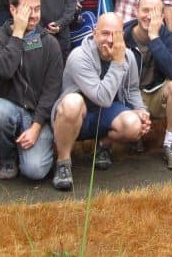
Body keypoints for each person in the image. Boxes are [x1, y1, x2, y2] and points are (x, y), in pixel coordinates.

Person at [50, 12, 150, 191]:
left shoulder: (128, 55)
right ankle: (63, 161)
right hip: (77, 115)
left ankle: (102, 145)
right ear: (94, 33)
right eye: (105, 33)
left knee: (134, 126)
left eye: (116, 34)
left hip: (106, 112)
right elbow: (101, 97)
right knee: (72, 102)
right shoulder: (79, 56)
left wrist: (141, 110)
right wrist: (118, 63)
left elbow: (133, 89)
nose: (110, 40)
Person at [0, 0, 64, 181]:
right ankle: (7, 154)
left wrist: (37, 126)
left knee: (35, 171)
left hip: (36, 115)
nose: (35, 15)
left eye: (37, 9)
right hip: (8, 109)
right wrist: (18, 34)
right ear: (13, 10)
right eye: (28, 10)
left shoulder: (50, 43)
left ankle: (32, 149)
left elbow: (52, 89)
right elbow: (5, 70)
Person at [124, 0, 172, 169]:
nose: (149, 16)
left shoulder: (168, 37)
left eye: (154, 12)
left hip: (155, 95)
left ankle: (170, 144)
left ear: (162, 17)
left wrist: (154, 38)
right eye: (145, 10)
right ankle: (105, 146)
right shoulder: (122, 35)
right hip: (128, 99)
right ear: (136, 12)